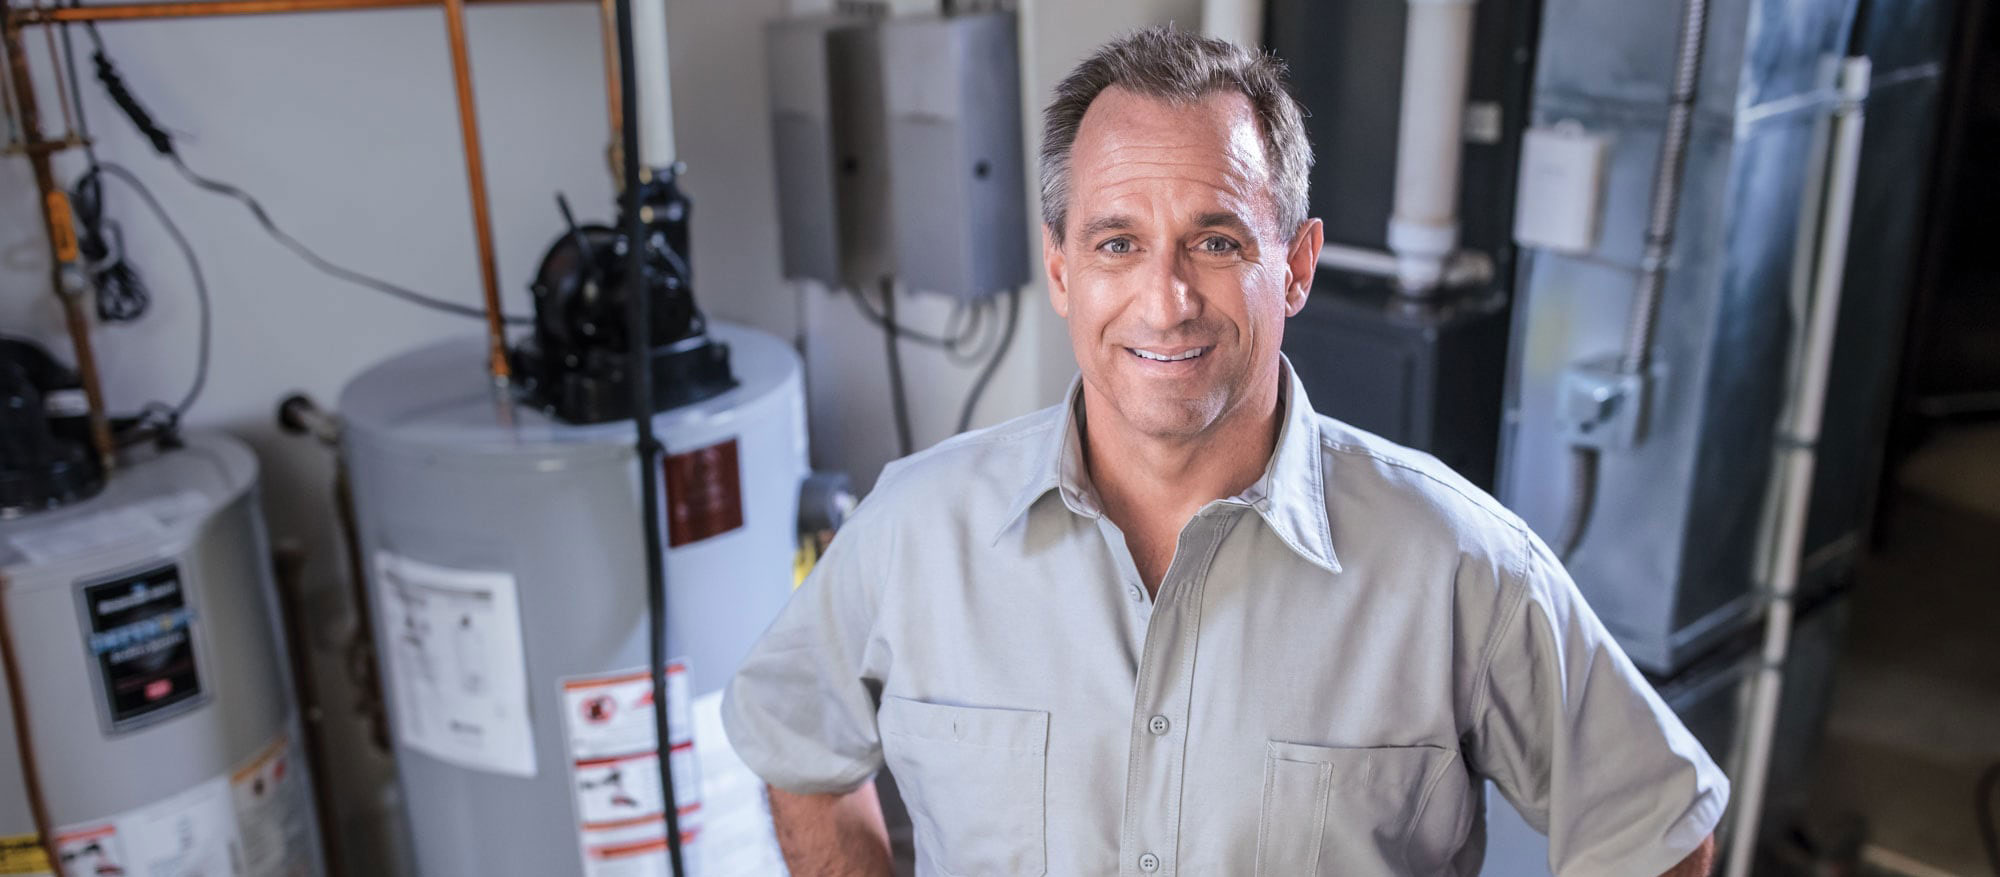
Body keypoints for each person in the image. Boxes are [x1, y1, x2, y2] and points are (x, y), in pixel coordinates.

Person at [722, 24, 1726, 876]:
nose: (1164, 299)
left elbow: (1656, 828)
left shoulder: (1461, 567)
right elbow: (796, 743)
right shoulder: (914, 528)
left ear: (1293, 266)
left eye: (1216, 241)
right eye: (1117, 243)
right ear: (1060, 266)